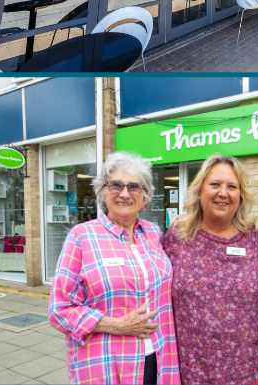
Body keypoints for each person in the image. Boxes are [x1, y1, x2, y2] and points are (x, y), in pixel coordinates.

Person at [49, 152, 179, 385]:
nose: (125, 193)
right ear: (104, 192)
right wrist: (116, 325)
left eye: (134, 187)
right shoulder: (82, 237)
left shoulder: (154, 233)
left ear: (145, 195)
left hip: (159, 358)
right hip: (106, 363)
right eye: (116, 185)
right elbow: (60, 309)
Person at [161, 154, 258, 385]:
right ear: (200, 190)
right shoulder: (177, 236)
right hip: (190, 370)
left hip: (248, 367)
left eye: (232, 186)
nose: (223, 192)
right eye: (215, 184)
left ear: (240, 195)